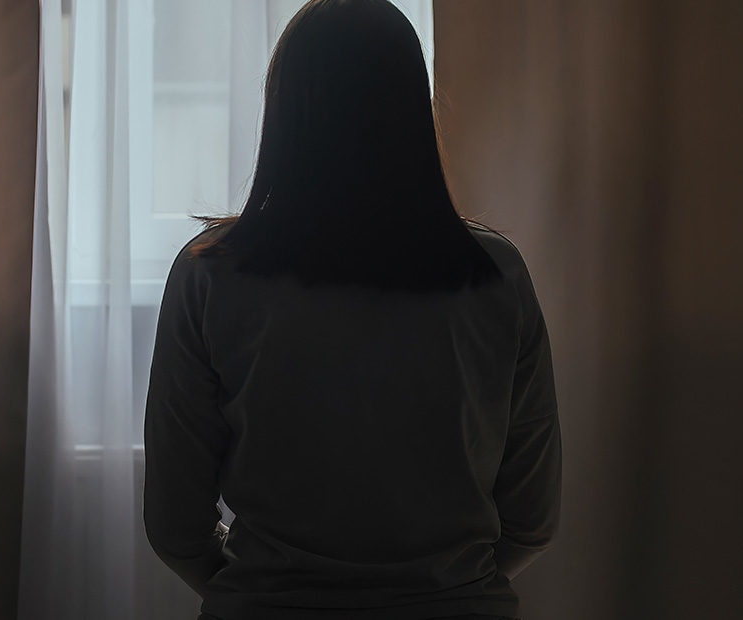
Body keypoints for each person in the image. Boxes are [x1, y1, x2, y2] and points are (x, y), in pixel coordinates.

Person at [142, 1, 562, 619]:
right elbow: (532, 519)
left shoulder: (211, 275)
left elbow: (175, 526)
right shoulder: (494, 276)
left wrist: (262, 594)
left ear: (283, 108)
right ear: (412, 109)